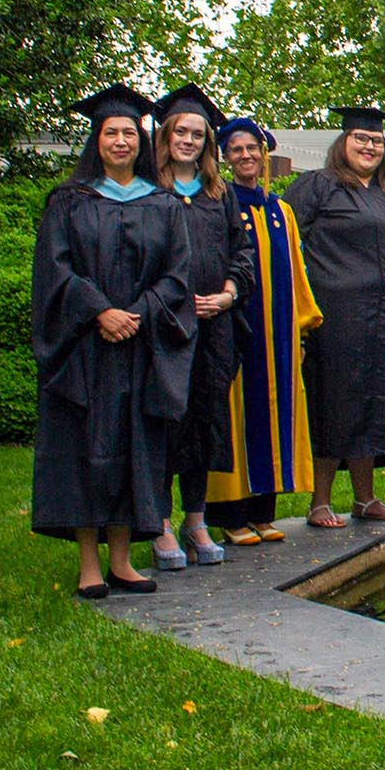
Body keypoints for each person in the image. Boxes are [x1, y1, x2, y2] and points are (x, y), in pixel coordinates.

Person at [31, 84, 194, 597]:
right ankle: (88, 564)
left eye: (129, 132)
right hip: (84, 348)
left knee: (134, 448)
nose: (121, 141)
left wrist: (138, 314)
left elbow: (177, 276)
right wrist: (100, 310)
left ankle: (122, 560)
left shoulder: (165, 204)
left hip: (141, 345)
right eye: (111, 133)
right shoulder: (69, 201)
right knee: (84, 446)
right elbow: (54, 271)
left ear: (141, 142)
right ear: (96, 140)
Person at [284, 107, 385, 527]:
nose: (369, 147)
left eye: (376, 141)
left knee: (375, 400)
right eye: (361, 139)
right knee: (334, 400)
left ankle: (364, 498)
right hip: (336, 316)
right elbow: (284, 237)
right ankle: (319, 501)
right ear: (343, 142)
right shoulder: (319, 188)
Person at [148, 84, 255, 569]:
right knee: (165, 424)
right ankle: (160, 524)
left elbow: (243, 254)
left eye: (198, 134)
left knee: (203, 425)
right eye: (181, 132)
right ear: (166, 136)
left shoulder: (220, 194)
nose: (189, 141)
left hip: (214, 329)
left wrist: (230, 293)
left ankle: (196, 519)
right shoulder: (150, 192)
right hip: (166, 329)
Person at [203, 117, 322, 546]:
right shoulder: (219, 202)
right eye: (236, 150)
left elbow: (298, 271)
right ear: (225, 157)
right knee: (235, 416)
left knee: (274, 415)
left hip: (279, 332)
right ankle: (230, 515)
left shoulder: (281, 210)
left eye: (252, 148)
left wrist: (303, 330)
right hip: (236, 328)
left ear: (264, 153)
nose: (246, 156)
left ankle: (262, 511)